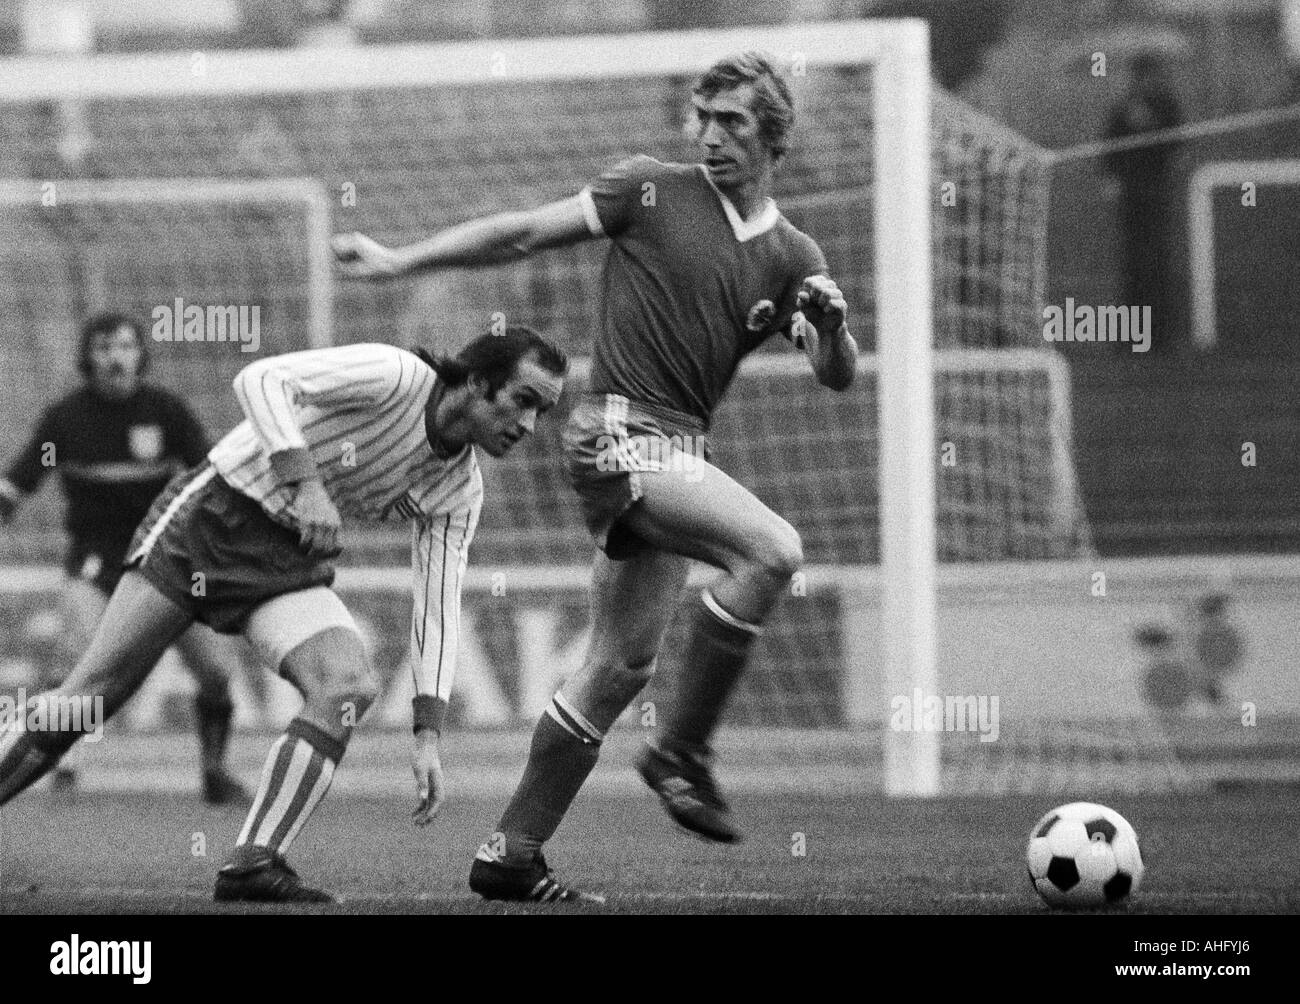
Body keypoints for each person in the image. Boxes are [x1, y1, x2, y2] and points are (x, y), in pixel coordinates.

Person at [334, 51, 858, 902]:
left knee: (619, 668)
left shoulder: (794, 255)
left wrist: (832, 329)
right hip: (614, 434)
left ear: (775, 138)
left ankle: (511, 852)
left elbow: (836, 374)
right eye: (703, 116)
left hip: (680, 452)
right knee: (773, 552)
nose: (709, 135)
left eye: (732, 122)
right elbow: (521, 231)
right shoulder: (649, 190)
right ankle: (682, 752)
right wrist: (400, 261)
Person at [0, 329, 567, 903]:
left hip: (285, 561)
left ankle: (252, 862)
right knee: (87, 699)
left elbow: (439, 601)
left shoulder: (460, 490)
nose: (529, 425)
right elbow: (260, 379)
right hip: (211, 519)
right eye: (523, 400)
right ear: (475, 382)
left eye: (543, 410)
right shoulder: (395, 374)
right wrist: (307, 483)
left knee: (347, 685)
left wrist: (427, 730)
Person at [0, 313, 249, 804]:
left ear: (140, 354)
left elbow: (215, 473)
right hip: (95, 562)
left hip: (167, 560)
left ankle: (215, 773)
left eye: (126, 346)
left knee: (217, 672)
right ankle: (62, 764)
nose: (116, 357)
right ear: (88, 357)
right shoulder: (65, 420)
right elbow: (21, 482)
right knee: (78, 658)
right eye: (104, 347)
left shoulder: (166, 413)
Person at [1104, 52, 1183, 352]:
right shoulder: (1122, 105)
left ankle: (1160, 337)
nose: (1144, 81)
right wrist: (1110, 177)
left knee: (1157, 261)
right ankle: (1131, 336)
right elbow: (1110, 145)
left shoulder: (1166, 104)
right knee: (1133, 263)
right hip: (1132, 194)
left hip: (1155, 191)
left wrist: (1150, 125)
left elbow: (1176, 146)